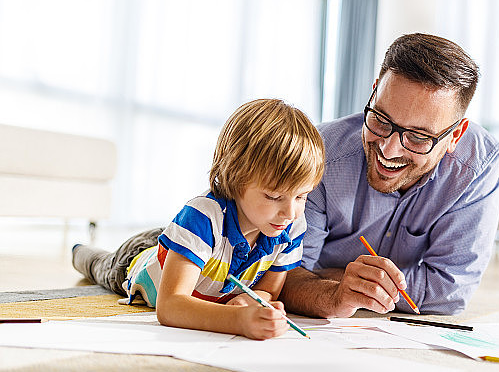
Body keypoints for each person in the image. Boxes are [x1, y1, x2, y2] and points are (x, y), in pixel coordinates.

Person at [278, 33, 499, 318]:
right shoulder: (320, 154)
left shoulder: (476, 166)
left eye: (419, 137)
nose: (388, 148)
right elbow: (286, 276)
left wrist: (340, 278)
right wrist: (335, 293)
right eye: (381, 120)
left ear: (455, 135)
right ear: (374, 92)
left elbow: (449, 293)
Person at [71, 99, 325, 340]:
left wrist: (251, 300)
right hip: (138, 260)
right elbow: (170, 306)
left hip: (197, 248)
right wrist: (236, 319)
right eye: (274, 196)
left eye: (302, 196)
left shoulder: (290, 227)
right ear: (236, 177)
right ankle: (80, 251)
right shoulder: (202, 216)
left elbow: (269, 290)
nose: (290, 213)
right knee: (99, 266)